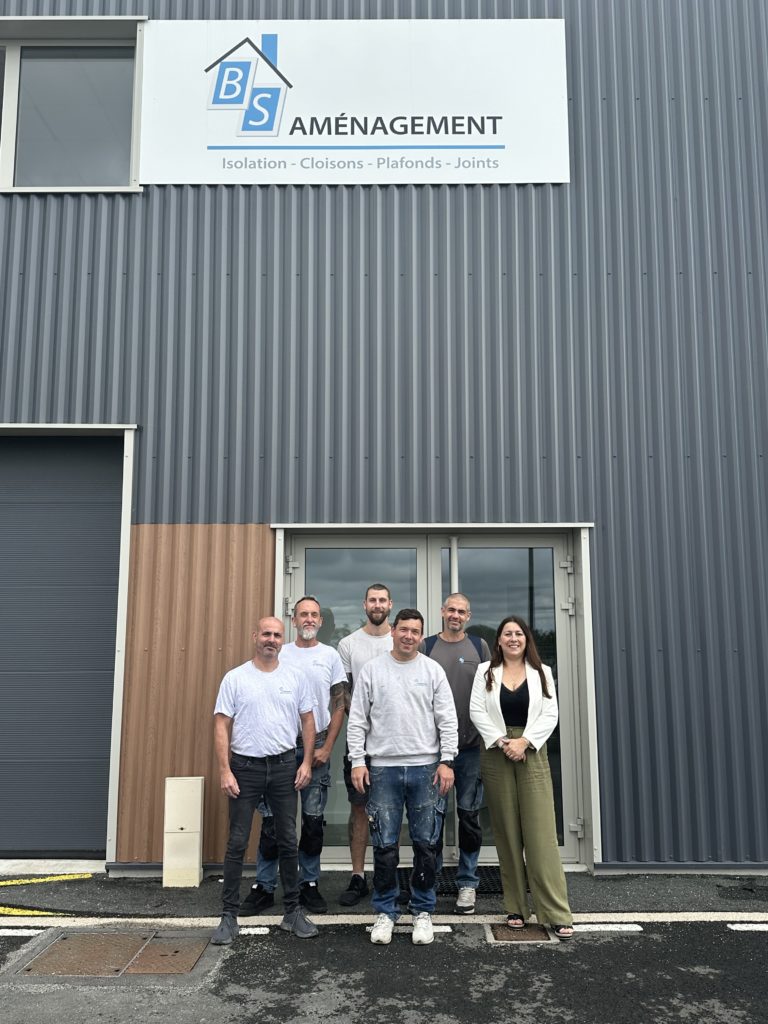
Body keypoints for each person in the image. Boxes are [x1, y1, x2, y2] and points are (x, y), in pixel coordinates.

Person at [348, 608, 458, 946]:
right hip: (383, 768)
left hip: (427, 768)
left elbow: (447, 719)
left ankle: (422, 911)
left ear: (421, 636)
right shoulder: (373, 670)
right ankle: (385, 911)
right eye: (404, 629)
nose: (409, 636)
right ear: (393, 631)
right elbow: (357, 719)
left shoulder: (432, 671)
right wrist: (357, 761)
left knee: (426, 844)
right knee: (384, 846)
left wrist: (447, 760)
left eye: (415, 631)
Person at [211, 616, 319, 943]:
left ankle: (293, 912)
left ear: (282, 640)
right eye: (266, 634)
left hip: (284, 766)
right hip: (245, 768)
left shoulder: (294, 677)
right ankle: (228, 917)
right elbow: (221, 724)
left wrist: (306, 763)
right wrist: (225, 769)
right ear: (255, 636)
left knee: (287, 840)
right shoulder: (236, 678)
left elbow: (308, 720)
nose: (271, 640)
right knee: (237, 842)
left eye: (277, 635)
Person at [469, 615, 574, 940]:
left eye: (518, 633)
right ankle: (515, 907)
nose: (513, 638)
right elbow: (476, 711)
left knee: (541, 833)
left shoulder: (542, 672)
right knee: (507, 832)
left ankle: (555, 912)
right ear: (499, 641)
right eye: (507, 634)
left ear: (526, 639)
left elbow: (551, 713)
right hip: (496, 752)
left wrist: (524, 742)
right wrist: (503, 742)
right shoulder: (485, 671)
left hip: (531, 751)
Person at [242, 596, 346, 916]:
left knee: (312, 822)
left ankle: (309, 884)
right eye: (303, 614)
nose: (309, 619)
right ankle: (264, 886)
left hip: (318, 746)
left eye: (314, 614)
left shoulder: (330, 656)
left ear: (320, 621)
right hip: (282, 748)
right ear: (294, 620)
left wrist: (327, 748)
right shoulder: (279, 652)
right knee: (273, 822)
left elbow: (339, 704)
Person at [422, 593, 491, 914]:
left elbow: (490, 693)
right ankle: (430, 881)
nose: (455, 615)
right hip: (433, 751)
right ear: (442, 611)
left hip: (471, 749)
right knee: (432, 819)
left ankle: (467, 883)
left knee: (469, 818)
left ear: (468, 616)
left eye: (461, 611)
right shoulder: (426, 647)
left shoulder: (479, 647)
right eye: (451, 609)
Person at [335, 582, 394, 906]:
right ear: (364, 605)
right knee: (359, 808)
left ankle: (389, 876)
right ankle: (358, 876)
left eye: (382, 600)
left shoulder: (400, 638)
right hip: (360, 743)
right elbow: (343, 694)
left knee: (393, 808)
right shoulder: (348, 644)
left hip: (395, 742)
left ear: (390, 604)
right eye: (372, 600)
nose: (377, 604)